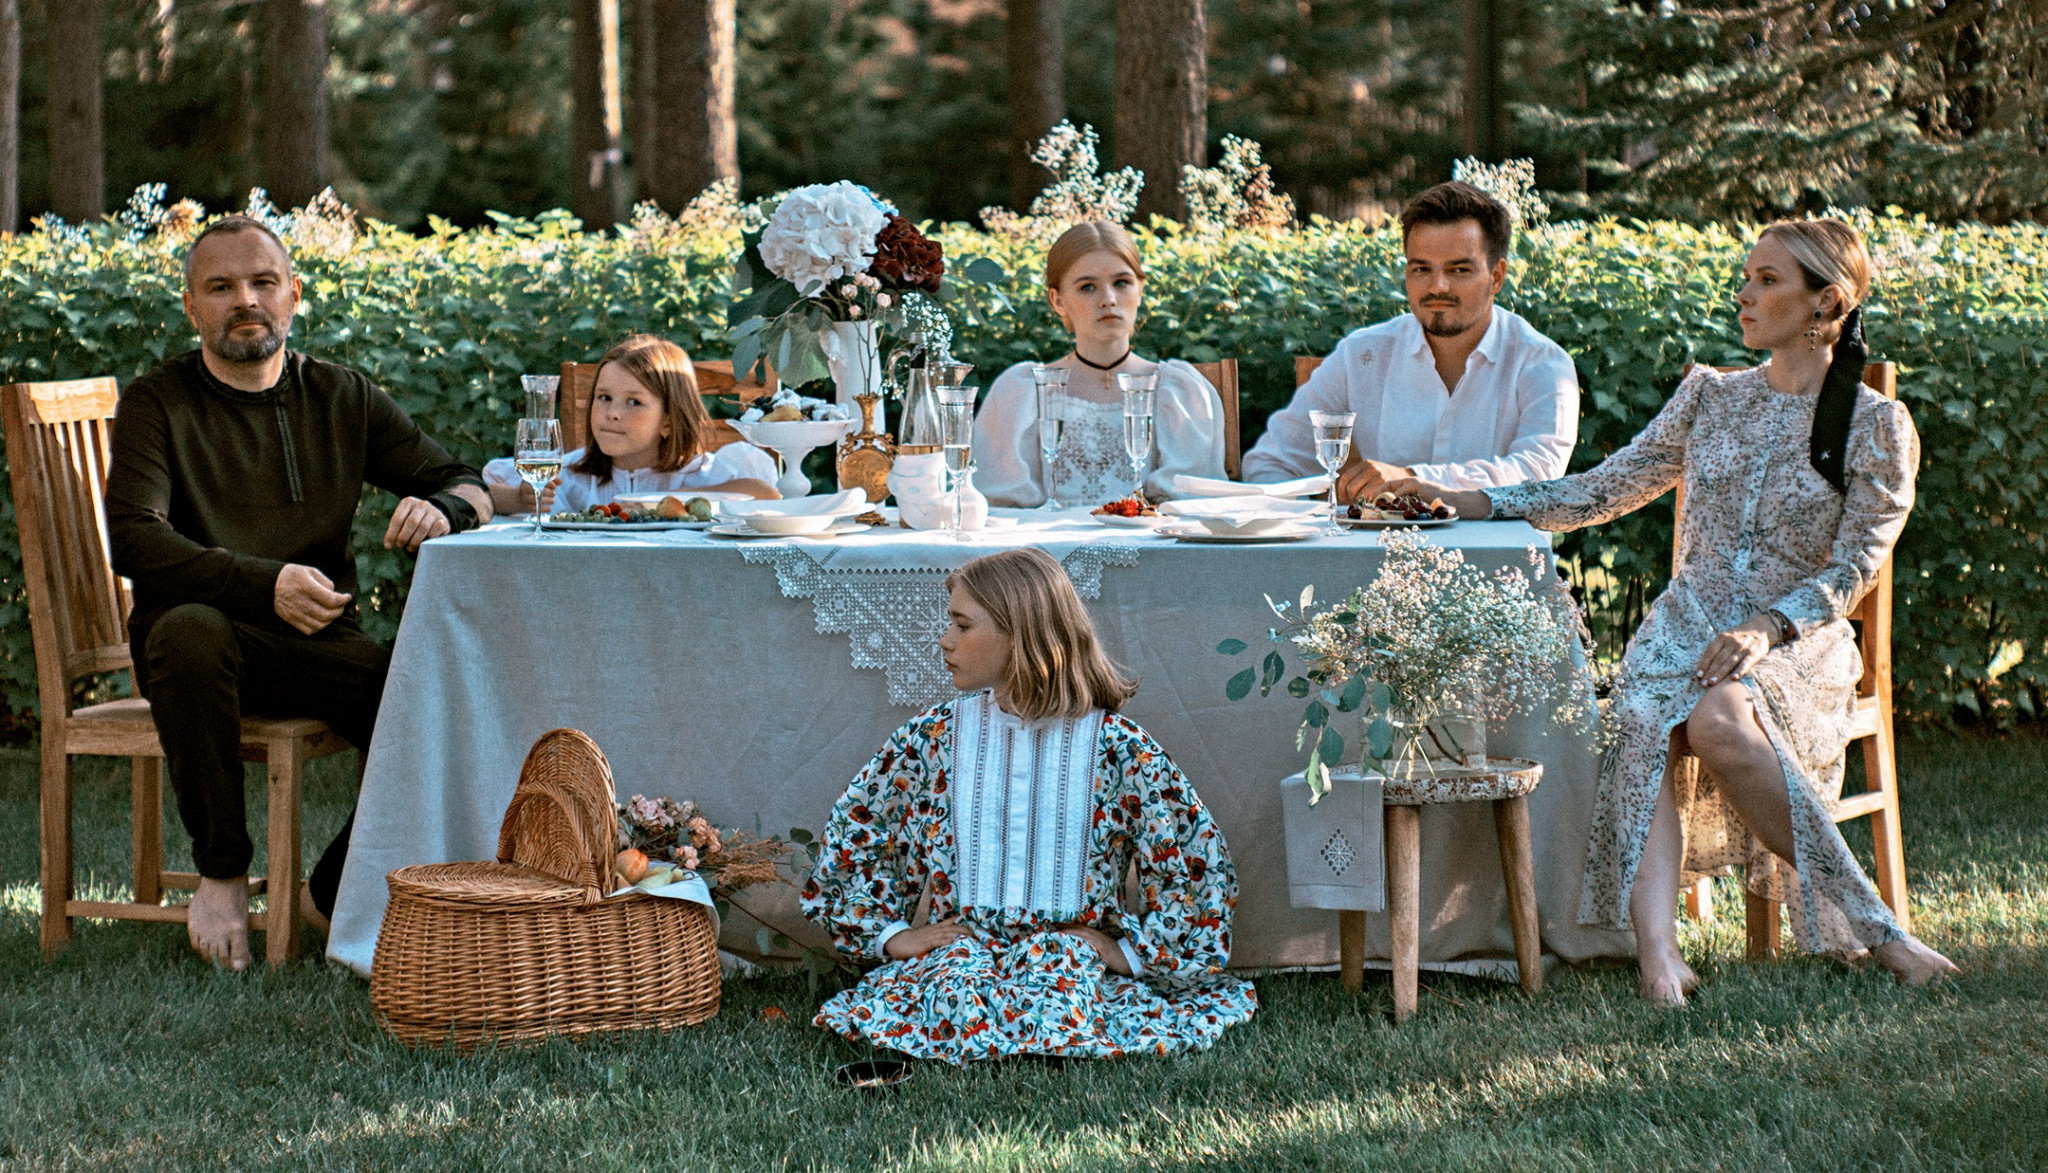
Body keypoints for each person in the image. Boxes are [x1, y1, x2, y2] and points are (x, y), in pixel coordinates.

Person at [1390, 219, 1957, 1004]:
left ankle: (1879, 930)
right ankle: (1659, 956)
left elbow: (1856, 565)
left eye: (1767, 280)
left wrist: (1766, 628)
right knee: (1644, 714)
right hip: (1684, 629)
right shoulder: (1710, 397)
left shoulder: (1876, 425)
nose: (1744, 294)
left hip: (1795, 639)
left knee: (1718, 718)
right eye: (1746, 276)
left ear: (1825, 302)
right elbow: (1602, 489)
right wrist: (1471, 500)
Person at [106, 214, 493, 970]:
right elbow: (134, 539)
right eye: (221, 287)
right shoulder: (158, 402)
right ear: (192, 306)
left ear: (294, 294)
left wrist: (444, 509)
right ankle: (221, 876)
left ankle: (331, 889)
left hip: (315, 643)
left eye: (262, 282)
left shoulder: (341, 395)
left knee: (434, 690)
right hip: (198, 649)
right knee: (189, 629)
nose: (245, 300)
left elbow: (465, 481)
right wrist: (265, 583)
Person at [801, 547, 1256, 1063]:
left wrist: (1124, 952)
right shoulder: (935, 738)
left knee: (1057, 997)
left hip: (1068, 955)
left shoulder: (1115, 747)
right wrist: (893, 935)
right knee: (955, 996)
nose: (944, 640)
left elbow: (1190, 859)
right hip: (961, 950)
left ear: (1022, 635)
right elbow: (860, 831)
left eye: (962, 626)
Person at [1241, 181, 1579, 502]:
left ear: (1496, 276)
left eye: (1459, 270)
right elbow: (1268, 464)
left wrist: (1412, 479)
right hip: (1375, 546)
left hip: (1502, 547)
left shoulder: (1541, 363)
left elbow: (1538, 476)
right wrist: (1327, 511)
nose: (1438, 286)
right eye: (1421, 269)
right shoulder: (1360, 357)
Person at [973, 221, 1226, 506]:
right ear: (1058, 300)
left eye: (1121, 283)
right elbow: (999, 508)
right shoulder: (1023, 391)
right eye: (1088, 287)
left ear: (1140, 289)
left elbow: (1192, 506)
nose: (1108, 299)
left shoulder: (1178, 391)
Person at [483, 334, 779, 513]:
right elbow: (484, 489)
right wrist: (519, 499)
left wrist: (662, 501)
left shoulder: (700, 474)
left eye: (634, 402)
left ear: (668, 420)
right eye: (604, 397)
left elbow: (767, 494)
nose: (612, 413)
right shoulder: (570, 475)